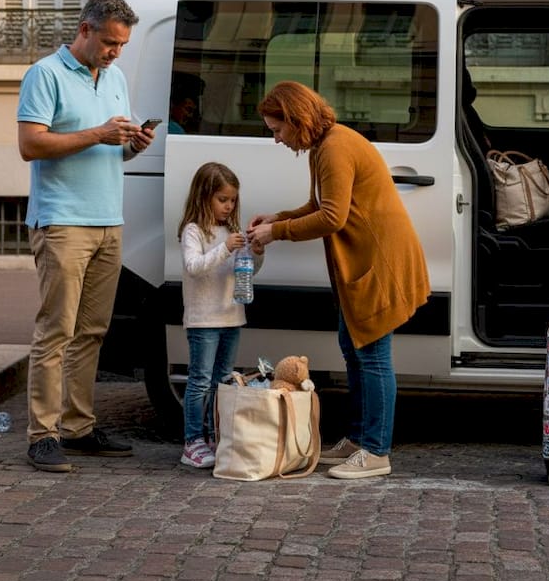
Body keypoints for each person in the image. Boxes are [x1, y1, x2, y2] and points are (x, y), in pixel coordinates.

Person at [246, 81, 430, 480]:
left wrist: (277, 233)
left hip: (378, 261)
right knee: (354, 347)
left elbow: (332, 217)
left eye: (277, 130)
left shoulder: (334, 147)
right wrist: (278, 217)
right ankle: (360, 438)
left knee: (373, 356)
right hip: (366, 260)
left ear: (296, 120)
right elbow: (321, 205)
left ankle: (376, 451)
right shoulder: (324, 146)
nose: (276, 139)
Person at [16, 0, 156, 472]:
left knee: (92, 332)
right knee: (55, 330)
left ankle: (77, 426)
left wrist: (132, 144)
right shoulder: (45, 74)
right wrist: (98, 133)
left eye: (122, 45)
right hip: (62, 222)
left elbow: (113, 152)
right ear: (85, 30)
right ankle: (42, 435)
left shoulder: (114, 77)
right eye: (110, 42)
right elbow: (31, 144)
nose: (116, 52)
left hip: (108, 221)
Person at [177, 162, 265, 468]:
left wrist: (256, 251)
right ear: (204, 197)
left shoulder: (231, 231)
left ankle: (216, 435)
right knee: (200, 381)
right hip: (204, 320)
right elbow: (195, 266)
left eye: (232, 200)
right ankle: (192, 441)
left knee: (223, 381)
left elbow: (247, 271)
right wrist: (226, 248)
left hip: (231, 317)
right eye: (222, 200)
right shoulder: (193, 231)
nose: (229, 206)